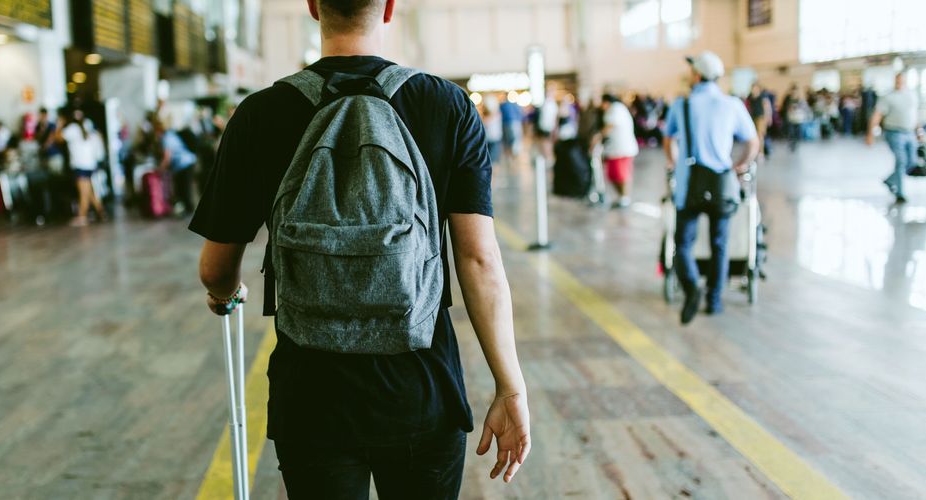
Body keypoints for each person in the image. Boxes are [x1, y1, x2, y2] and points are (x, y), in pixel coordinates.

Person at [190, 0, 531, 497]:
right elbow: (479, 260)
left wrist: (226, 295)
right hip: (422, 388)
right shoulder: (446, 105)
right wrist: (510, 386)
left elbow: (216, 268)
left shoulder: (261, 113)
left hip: (311, 400)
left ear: (312, 6)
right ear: (390, 7)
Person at [662, 51, 760, 325]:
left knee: (682, 244)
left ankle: (692, 287)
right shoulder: (732, 105)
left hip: (689, 185)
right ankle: (714, 301)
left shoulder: (681, 105)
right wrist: (738, 165)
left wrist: (673, 162)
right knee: (720, 244)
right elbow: (753, 142)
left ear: (696, 75)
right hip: (721, 184)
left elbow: (668, 139)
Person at [867, 73, 919, 204]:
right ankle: (900, 193)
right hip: (894, 133)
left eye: (902, 80)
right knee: (901, 161)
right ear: (894, 81)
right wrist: (870, 134)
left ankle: (890, 180)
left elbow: (915, 114)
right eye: (898, 80)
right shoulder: (888, 97)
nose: (900, 83)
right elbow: (877, 115)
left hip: (910, 133)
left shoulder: (912, 95)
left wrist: (919, 131)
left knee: (912, 162)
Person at [58, 108, 107, 226]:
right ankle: (101, 211)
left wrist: (59, 124)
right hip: (90, 163)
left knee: (83, 191)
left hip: (80, 164)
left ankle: (82, 216)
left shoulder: (72, 129)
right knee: (89, 190)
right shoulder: (88, 125)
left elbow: (58, 138)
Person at [594, 94, 639, 208]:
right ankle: (622, 197)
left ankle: (625, 198)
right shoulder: (616, 108)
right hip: (616, 148)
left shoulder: (616, 109)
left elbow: (610, 125)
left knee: (621, 174)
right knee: (614, 174)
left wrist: (598, 136)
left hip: (622, 149)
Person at [157, 112, 198, 215]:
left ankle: (189, 210)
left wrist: (160, 169)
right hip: (188, 160)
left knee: (183, 187)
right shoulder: (172, 134)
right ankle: (188, 209)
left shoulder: (166, 138)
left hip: (184, 163)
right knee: (184, 187)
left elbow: (167, 157)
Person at [747, 83, 773, 156]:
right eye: (753, 88)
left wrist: (768, 117)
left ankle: (761, 152)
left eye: (755, 88)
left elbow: (767, 107)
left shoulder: (762, 96)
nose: (754, 90)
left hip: (761, 118)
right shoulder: (750, 97)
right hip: (753, 118)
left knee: (760, 136)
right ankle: (755, 151)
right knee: (753, 135)